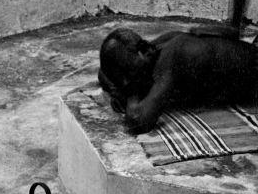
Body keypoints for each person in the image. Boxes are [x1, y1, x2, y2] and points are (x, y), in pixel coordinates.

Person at [98, 25, 258, 133]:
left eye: (131, 72)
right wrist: (121, 87)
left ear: (144, 50)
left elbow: (138, 121)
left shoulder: (173, 57)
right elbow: (103, 73)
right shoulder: (152, 49)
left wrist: (130, 92)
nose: (129, 79)